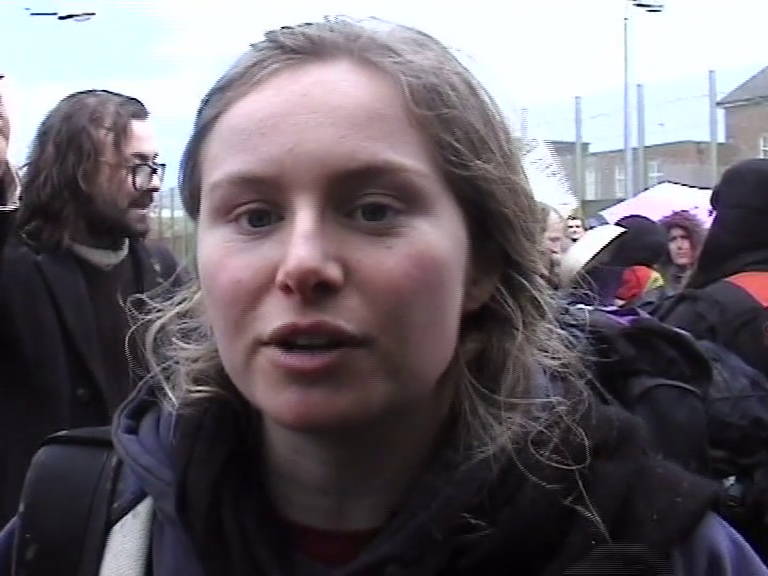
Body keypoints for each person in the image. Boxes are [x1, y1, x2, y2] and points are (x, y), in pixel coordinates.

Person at [3, 19, 765, 575]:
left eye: (373, 210)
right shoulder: (85, 532)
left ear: (484, 260)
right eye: (256, 215)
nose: (302, 266)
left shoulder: (666, 546)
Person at [0, 90, 188, 524]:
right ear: (78, 171)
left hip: (137, 525)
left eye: (154, 165)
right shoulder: (15, 269)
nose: (154, 182)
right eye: (136, 167)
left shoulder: (165, 272)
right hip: (35, 529)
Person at [658, 210, 706, 295]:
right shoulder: (660, 284)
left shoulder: (711, 277)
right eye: (672, 239)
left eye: (685, 238)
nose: (679, 245)